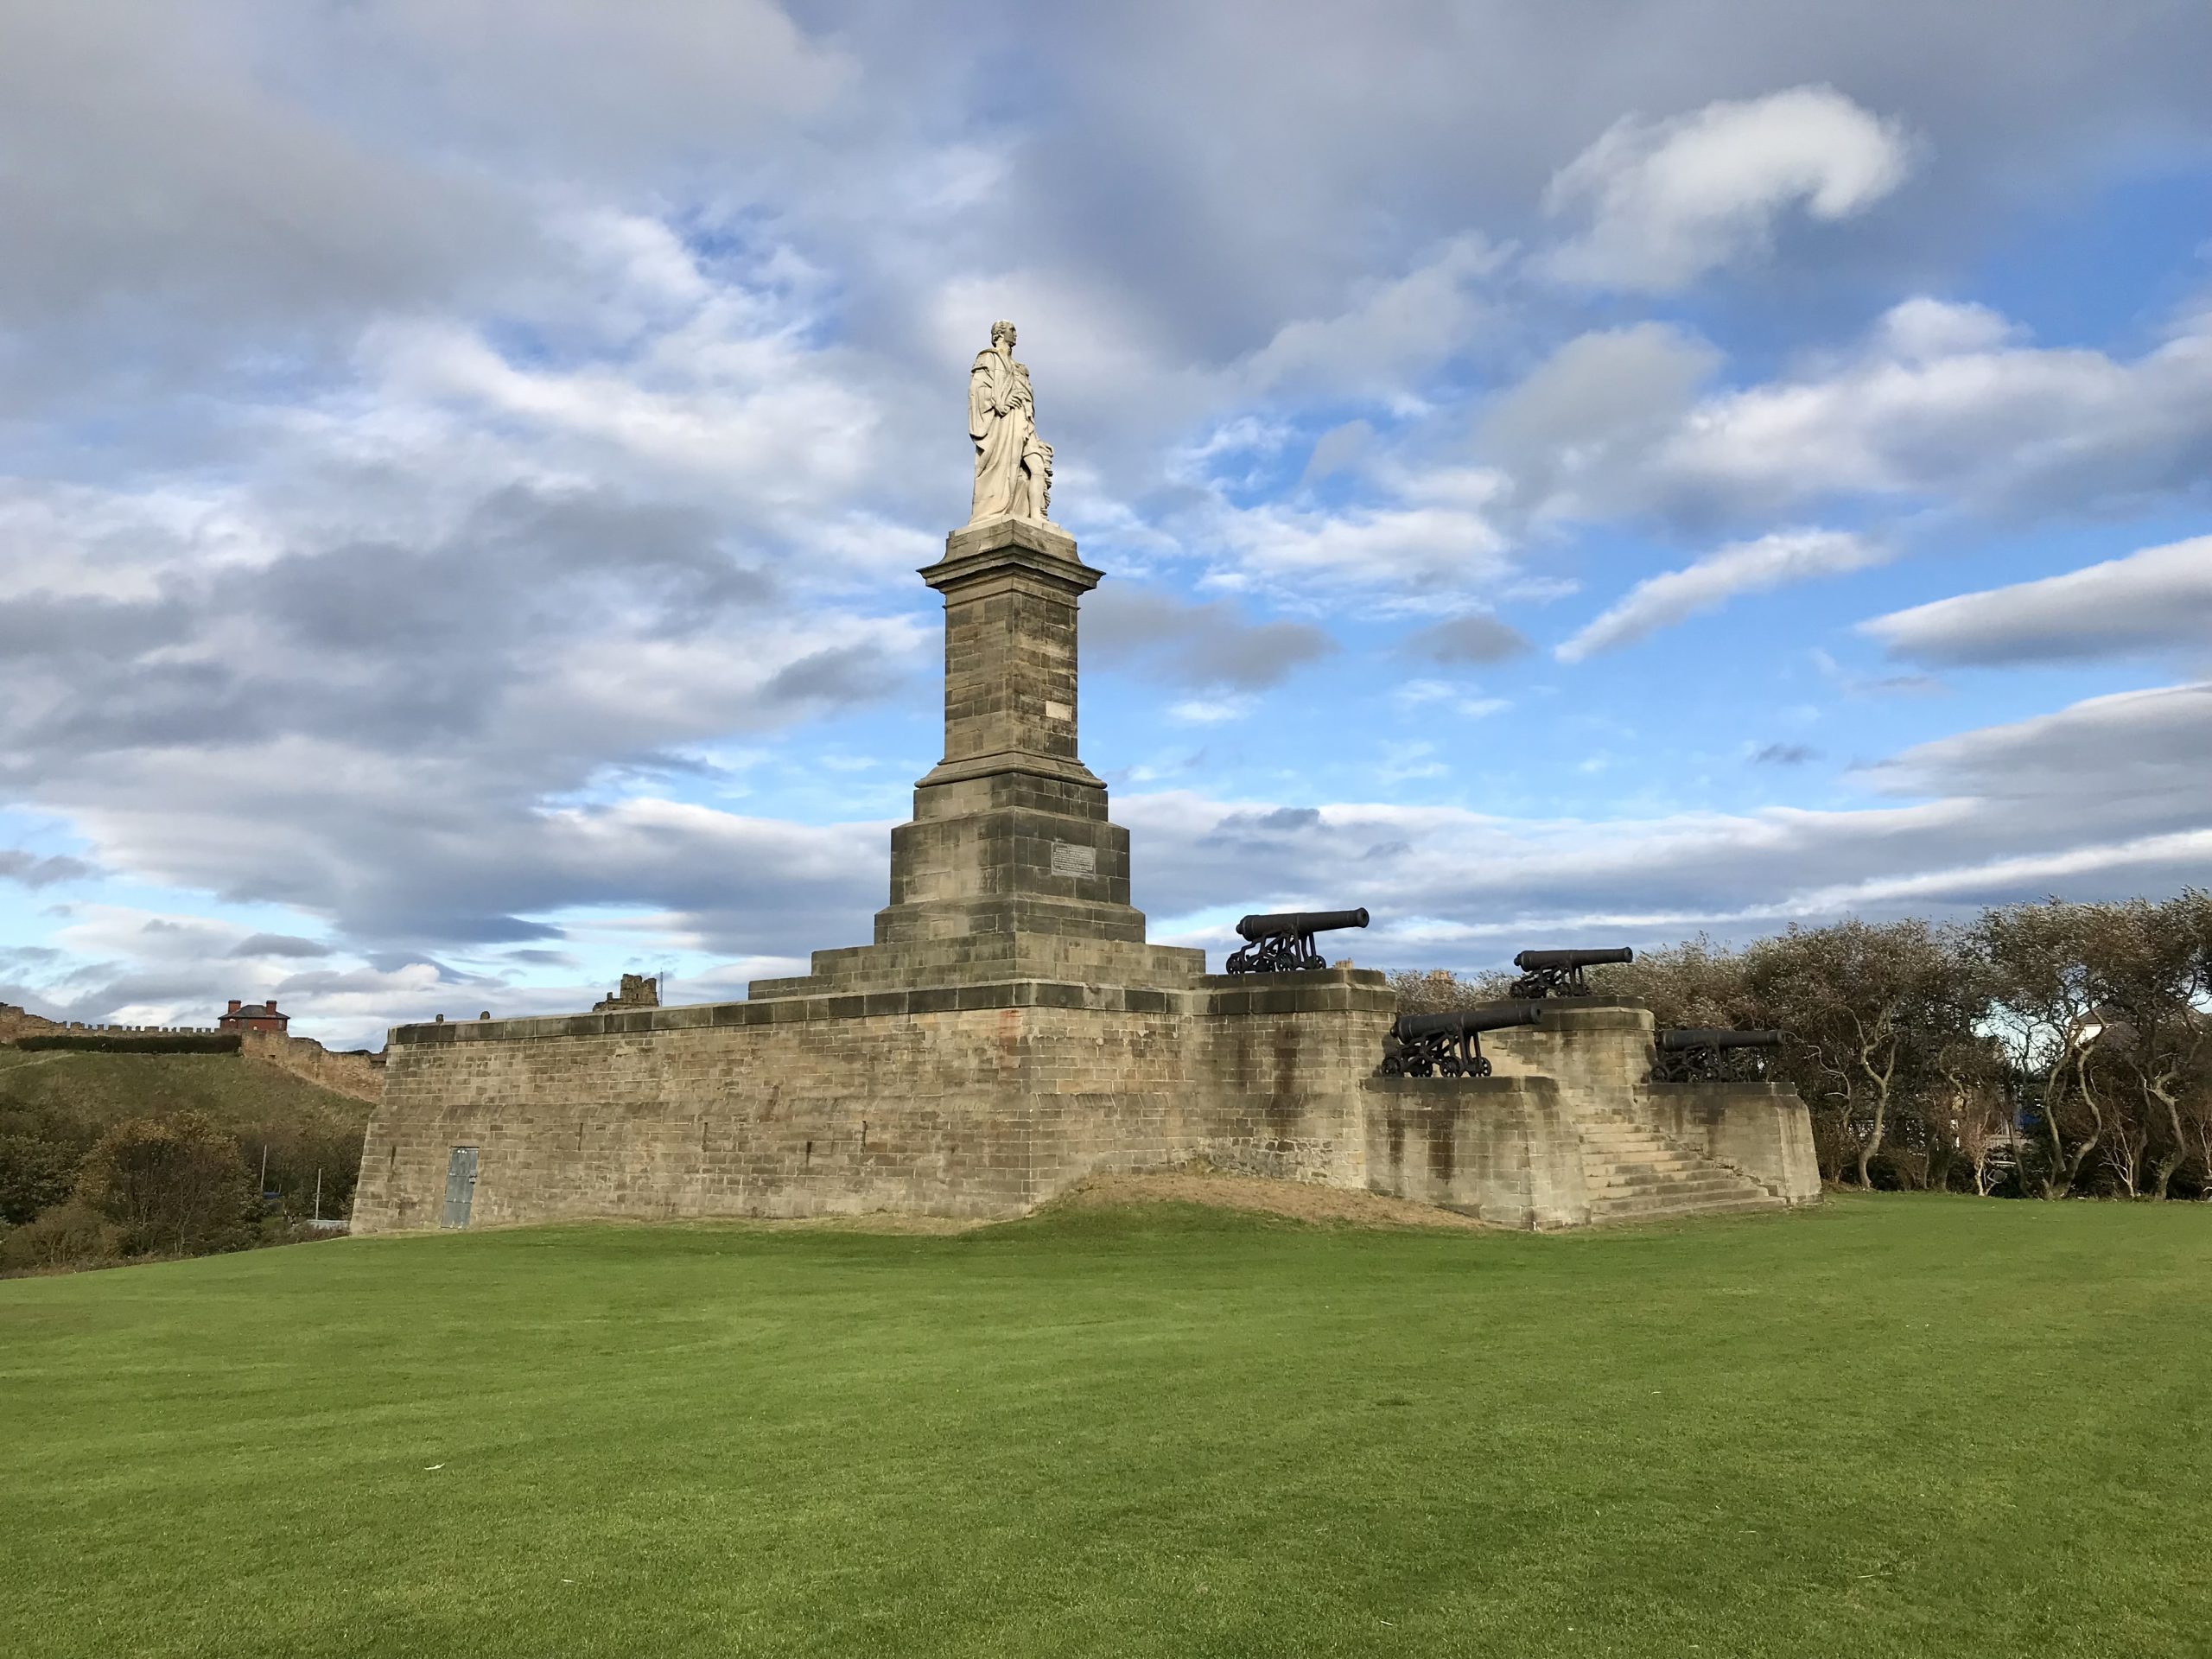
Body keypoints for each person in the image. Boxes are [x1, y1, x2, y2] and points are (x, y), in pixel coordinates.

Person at [968, 321, 1052, 522]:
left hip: (1024, 421)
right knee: (1011, 467)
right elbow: (976, 389)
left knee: (1037, 467)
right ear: (999, 333)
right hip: (1004, 421)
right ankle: (1000, 509)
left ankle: (1036, 515)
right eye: (1012, 330)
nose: (1016, 334)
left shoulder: (1020, 367)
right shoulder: (988, 357)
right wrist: (999, 403)